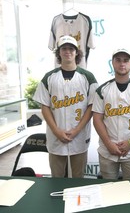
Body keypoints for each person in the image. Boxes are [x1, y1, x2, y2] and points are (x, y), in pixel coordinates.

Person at [33, 35, 98, 178]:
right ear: (59, 52)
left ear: (77, 52)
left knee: (78, 178)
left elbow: (91, 107)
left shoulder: (88, 77)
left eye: (71, 48)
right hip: (55, 136)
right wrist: (56, 131)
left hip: (79, 135)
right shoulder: (49, 77)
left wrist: (76, 130)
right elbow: (45, 107)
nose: (67, 51)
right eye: (64, 48)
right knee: (57, 177)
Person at [92, 48, 130, 180]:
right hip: (107, 149)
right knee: (108, 188)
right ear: (112, 63)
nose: (122, 64)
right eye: (118, 60)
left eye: (126, 60)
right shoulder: (102, 90)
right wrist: (108, 143)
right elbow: (97, 119)